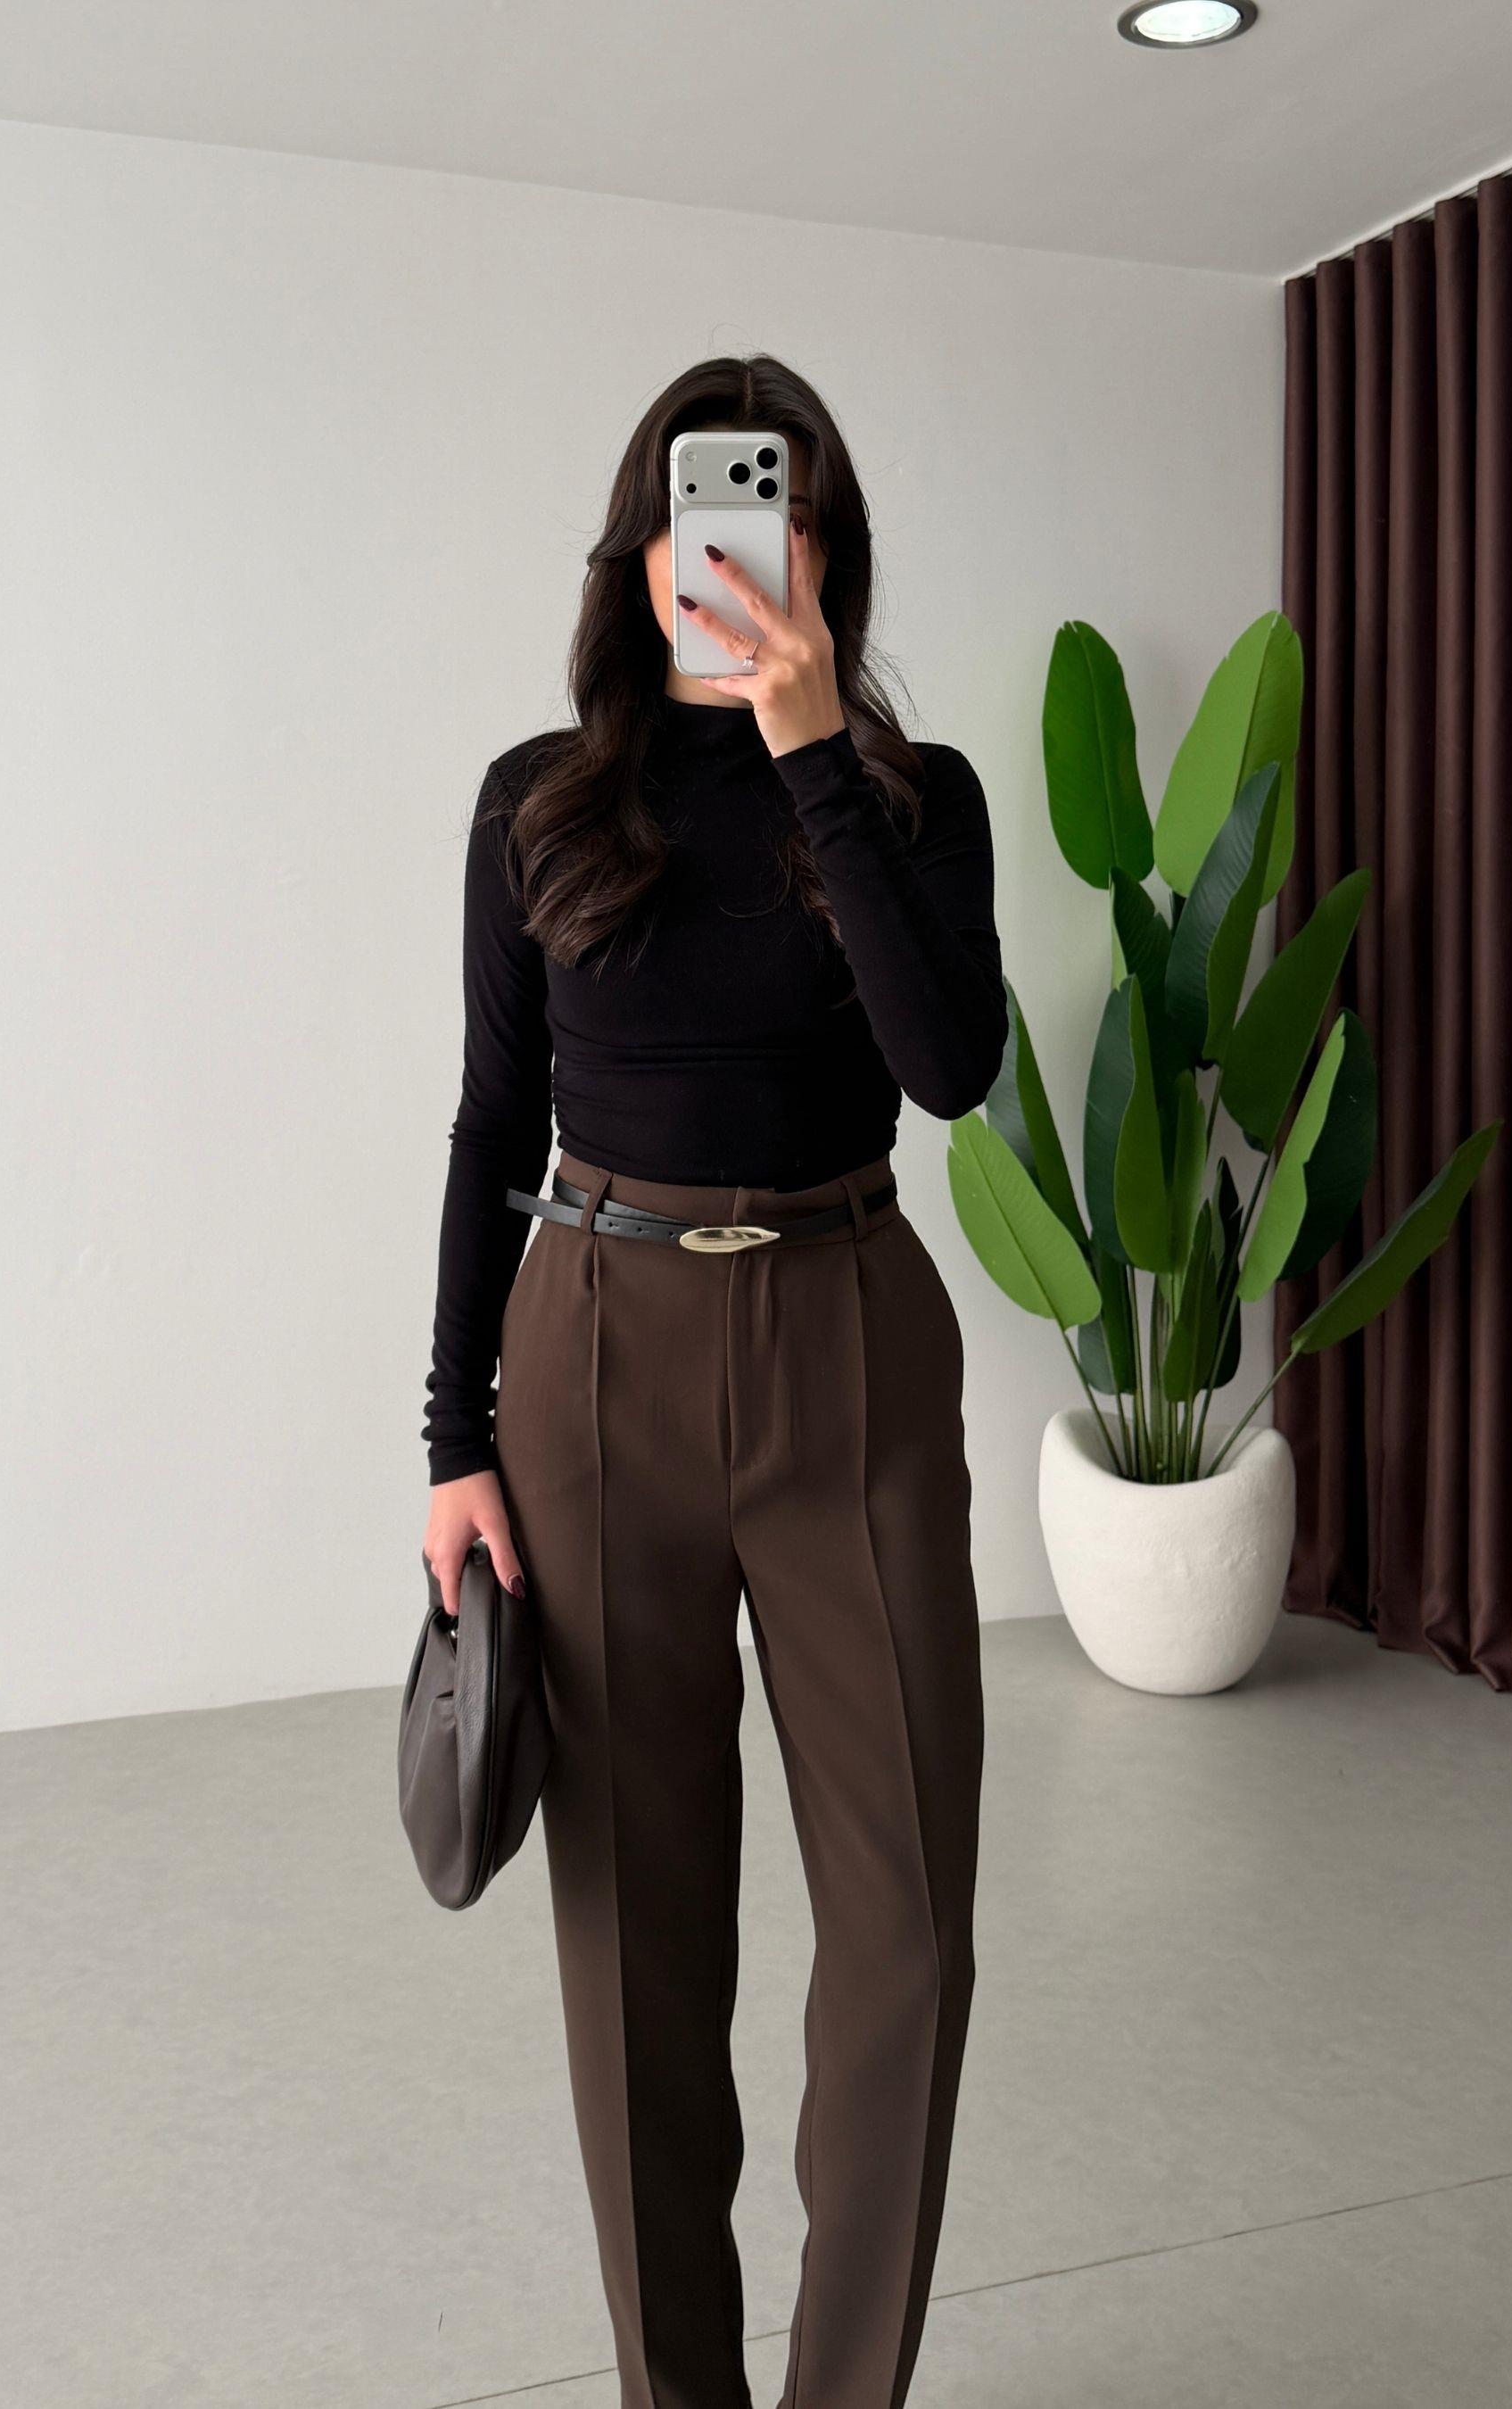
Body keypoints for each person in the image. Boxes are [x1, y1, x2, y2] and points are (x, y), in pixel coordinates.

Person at [421, 353, 1008, 2409]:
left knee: (908, 1925)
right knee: (637, 1951)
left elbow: (951, 1069)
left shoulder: (915, 798)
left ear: (829, 553)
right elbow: (491, 1127)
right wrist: (452, 1443)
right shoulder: (539, 801)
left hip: (853, 1338)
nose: (748, 546)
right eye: (714, 507)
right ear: (647, 545)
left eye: (787, 511)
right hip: (597, 1356)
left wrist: (811, 746)